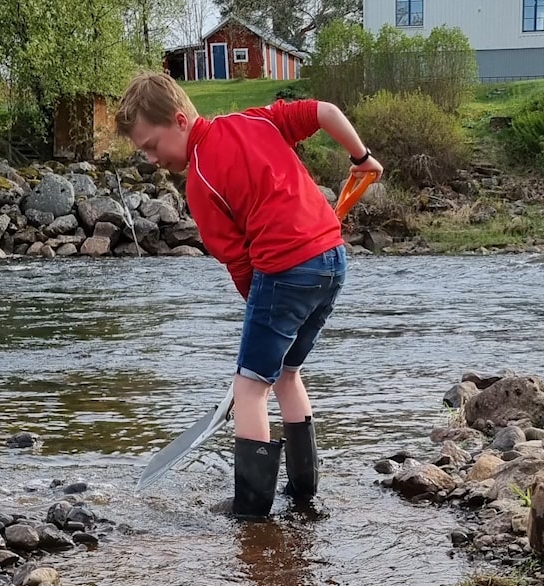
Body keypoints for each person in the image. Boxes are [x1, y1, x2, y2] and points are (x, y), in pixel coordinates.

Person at [114, 72, 383, 519]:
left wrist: (257, 321)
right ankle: (303, 492)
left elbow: (241, 264)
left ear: (180, 121)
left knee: (251, 385)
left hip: (285, 270)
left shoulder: (199, 181)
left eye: (151, 145)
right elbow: (325, 112)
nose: (151, 158)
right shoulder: (257, 120)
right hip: (331, 261)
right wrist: (362, 157)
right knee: (286, 373)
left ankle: (253, 508)